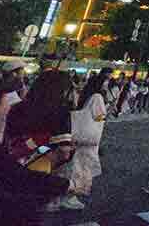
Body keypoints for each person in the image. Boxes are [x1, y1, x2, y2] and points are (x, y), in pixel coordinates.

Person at [0, 71, 71, 226]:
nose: (9, 99)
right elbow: (19, 177)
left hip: (6, 173)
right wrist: (65, 183)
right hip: (29, 174)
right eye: (4, 96)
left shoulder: (18, 109)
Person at [4, 70, 76, 213]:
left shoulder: (18, 107)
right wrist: (43, 149)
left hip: (8, 167)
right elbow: (64, 152)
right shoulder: (60, 112)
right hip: (38, 172)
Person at [67, 73, 108, 208]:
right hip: (89, 137)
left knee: (77, 163)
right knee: (84, 166)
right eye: (106, 82)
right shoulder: (97, 97)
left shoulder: (87, 95)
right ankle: (72, 195)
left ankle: (72, 192)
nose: (107, 84)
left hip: (81, 135)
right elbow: (99, 116)